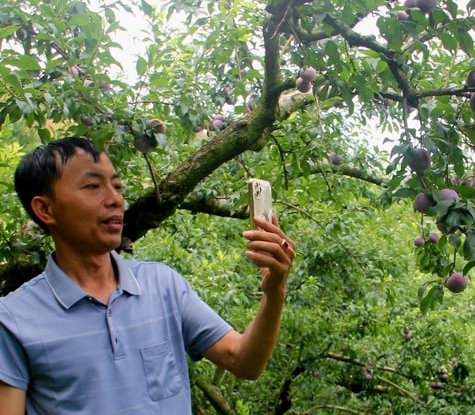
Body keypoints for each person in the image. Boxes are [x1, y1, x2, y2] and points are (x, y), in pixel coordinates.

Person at [0, 136, 295, 414]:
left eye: (117, 187)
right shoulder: (13, 320)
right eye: (93, 186)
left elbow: (244, 362)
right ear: (45, 209)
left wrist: (275, 291)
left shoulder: (163, 286)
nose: (115, 199)